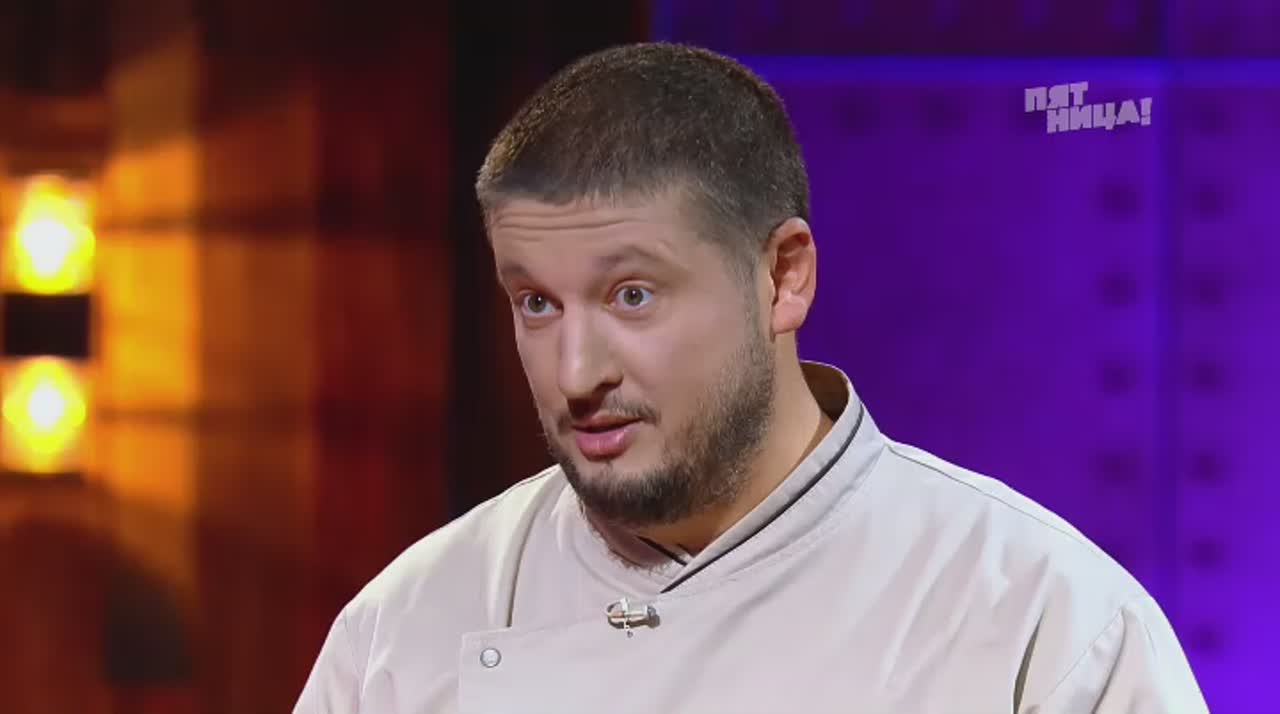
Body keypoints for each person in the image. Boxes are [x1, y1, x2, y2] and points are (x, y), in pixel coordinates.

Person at [295, 42, 1207, 714]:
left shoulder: (1043, 622)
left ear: (782, 277)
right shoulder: (404, 630)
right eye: (536, 303)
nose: (575, 375)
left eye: (632, 295)